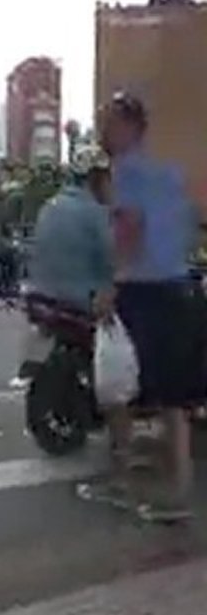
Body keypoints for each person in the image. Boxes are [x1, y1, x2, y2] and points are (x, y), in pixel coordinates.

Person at [102, 91, 202, 522]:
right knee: (172, 396)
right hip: (179, 285)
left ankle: (124, 477)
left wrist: (110, 283)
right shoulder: (172, 174)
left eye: (110, 123)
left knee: (119, 384)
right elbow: (187, 226)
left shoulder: (126, 170)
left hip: (142, 288)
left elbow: (129, 226)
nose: (105, 131)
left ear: (129, 127)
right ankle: (178, 488)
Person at [28, 145, 131, 505]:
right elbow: (112, 259)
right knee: (133, 343)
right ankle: (125, 426)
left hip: (42, 298)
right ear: (96, 178)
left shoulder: (50, 206)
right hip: (82, 301)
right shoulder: (95, 213)